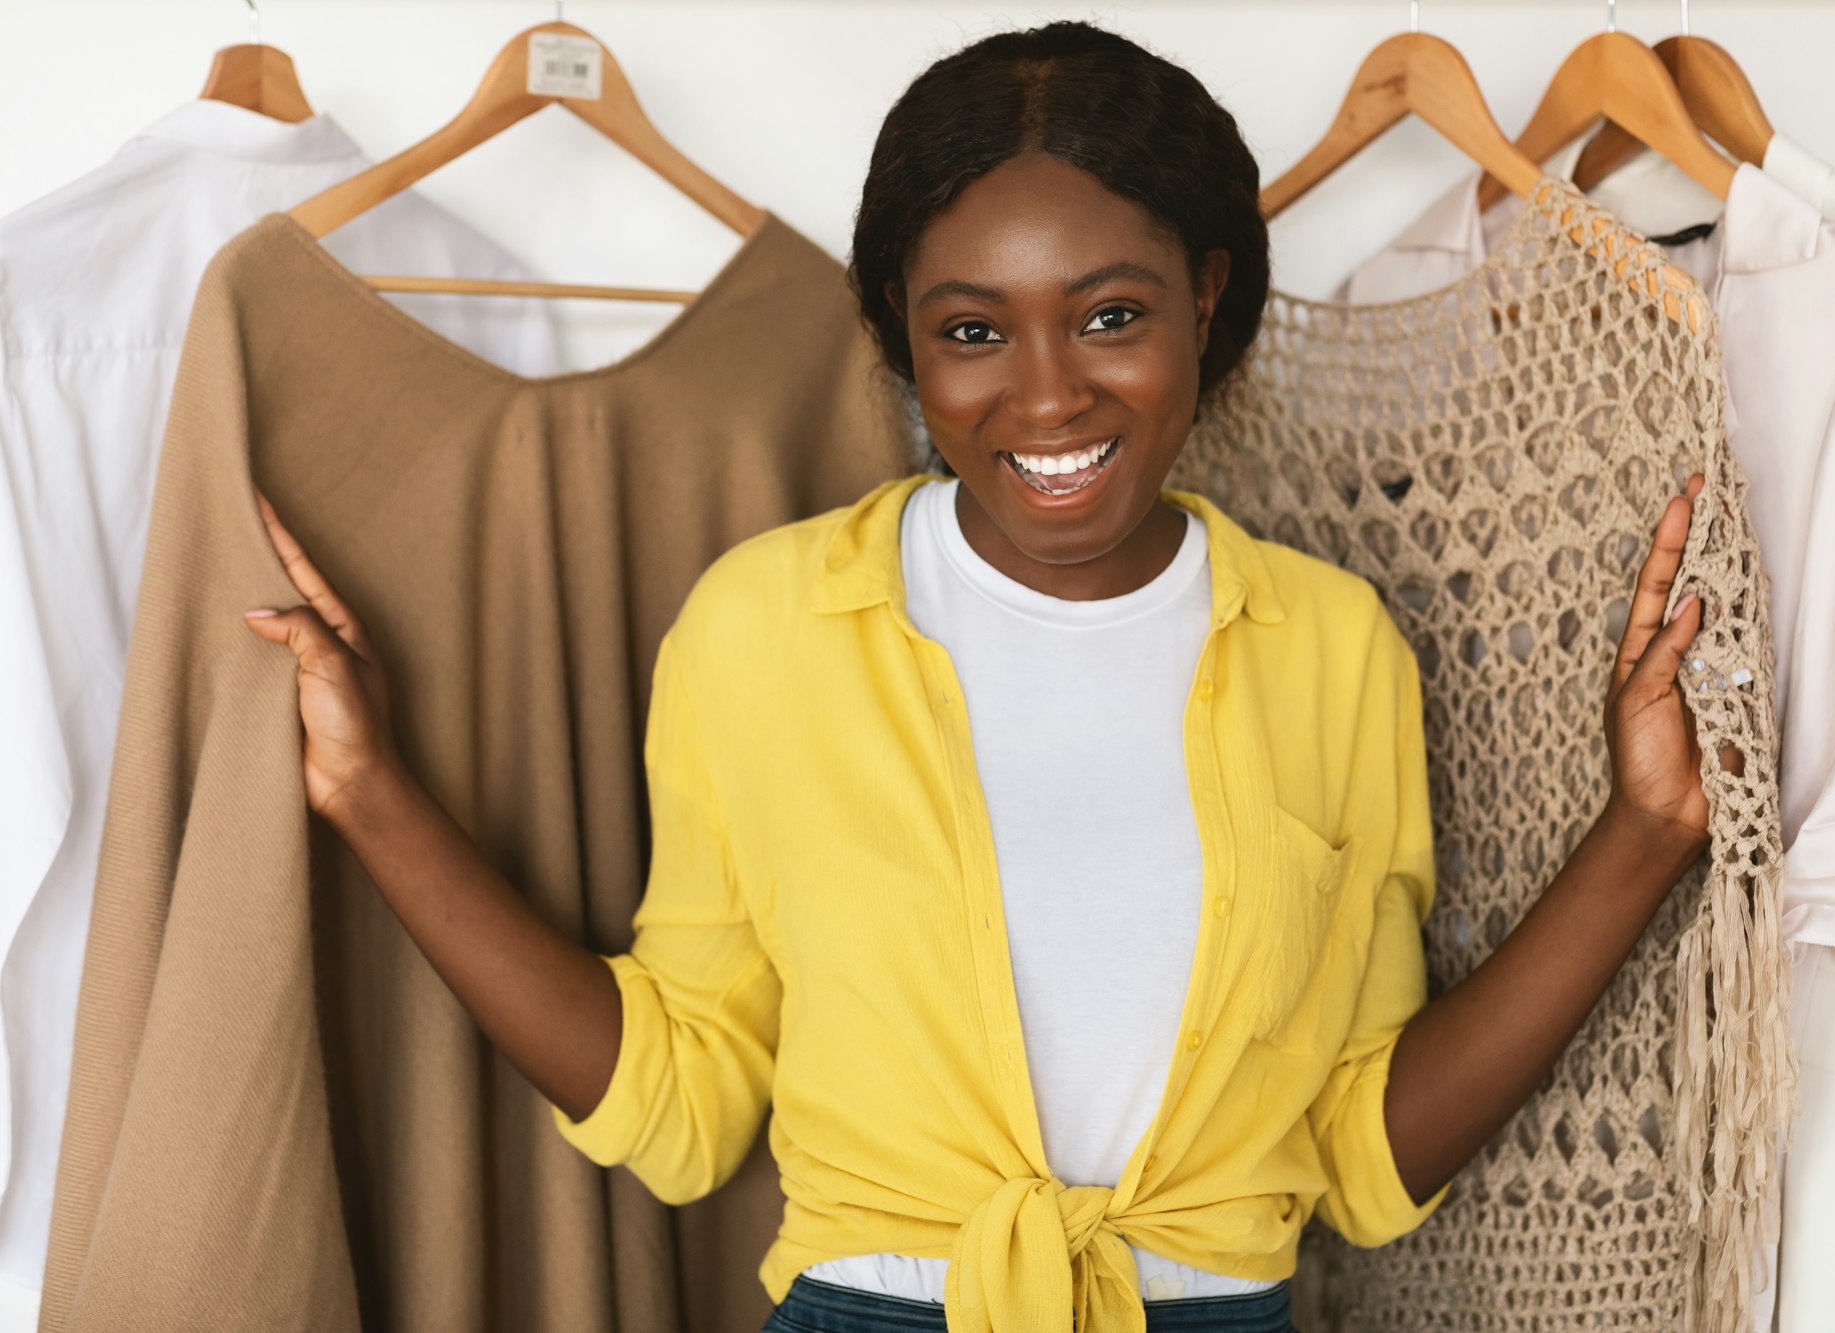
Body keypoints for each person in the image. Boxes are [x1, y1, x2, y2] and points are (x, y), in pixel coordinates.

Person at [244, 22, 1715, 1333]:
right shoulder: (760, 628)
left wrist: (1642, 834)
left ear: (1207, 298)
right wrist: (370, 793)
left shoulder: (1333, 651)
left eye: (1110, 313)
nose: (1049, 392)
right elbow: (684, 1103)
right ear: (902, 334)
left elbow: (1357, 1151)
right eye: (972, 331)